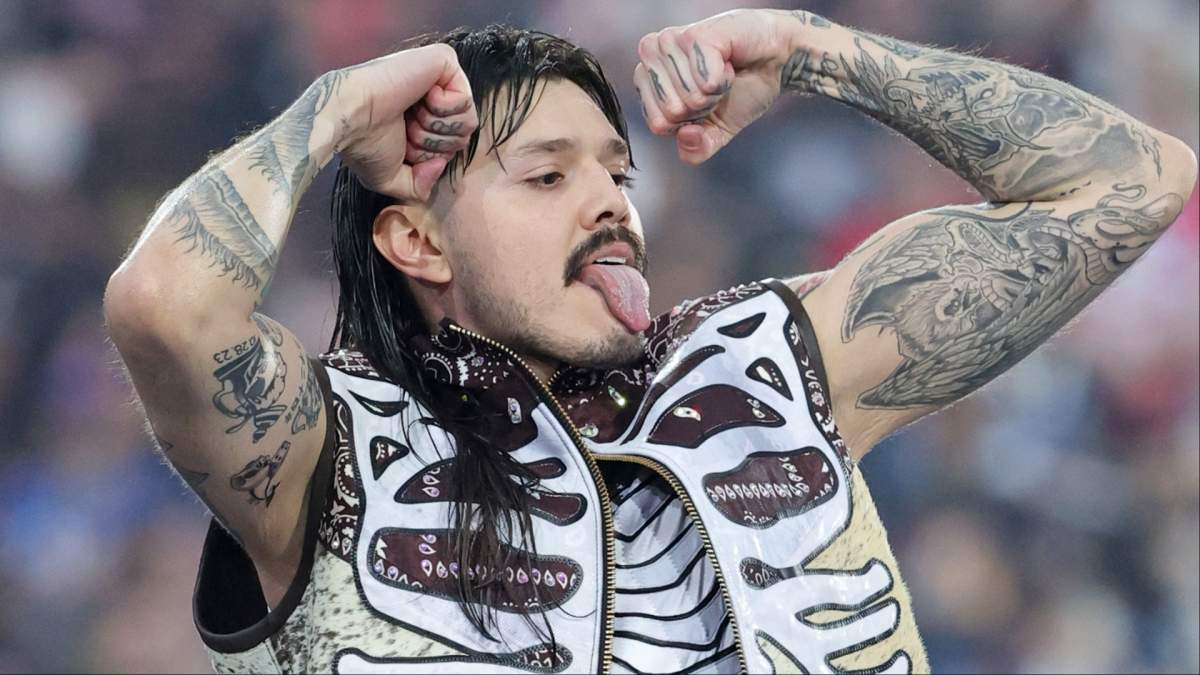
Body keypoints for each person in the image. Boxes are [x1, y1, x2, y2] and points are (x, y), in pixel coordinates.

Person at [104, 8, 1196, 674]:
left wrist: (813, 51)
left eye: (618, 173)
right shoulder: (329, 451)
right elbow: (163, 301)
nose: (613, 206)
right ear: (418, 240)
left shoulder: (765, 363)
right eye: (547, 176)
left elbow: (1132, 182)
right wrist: (339, 109)